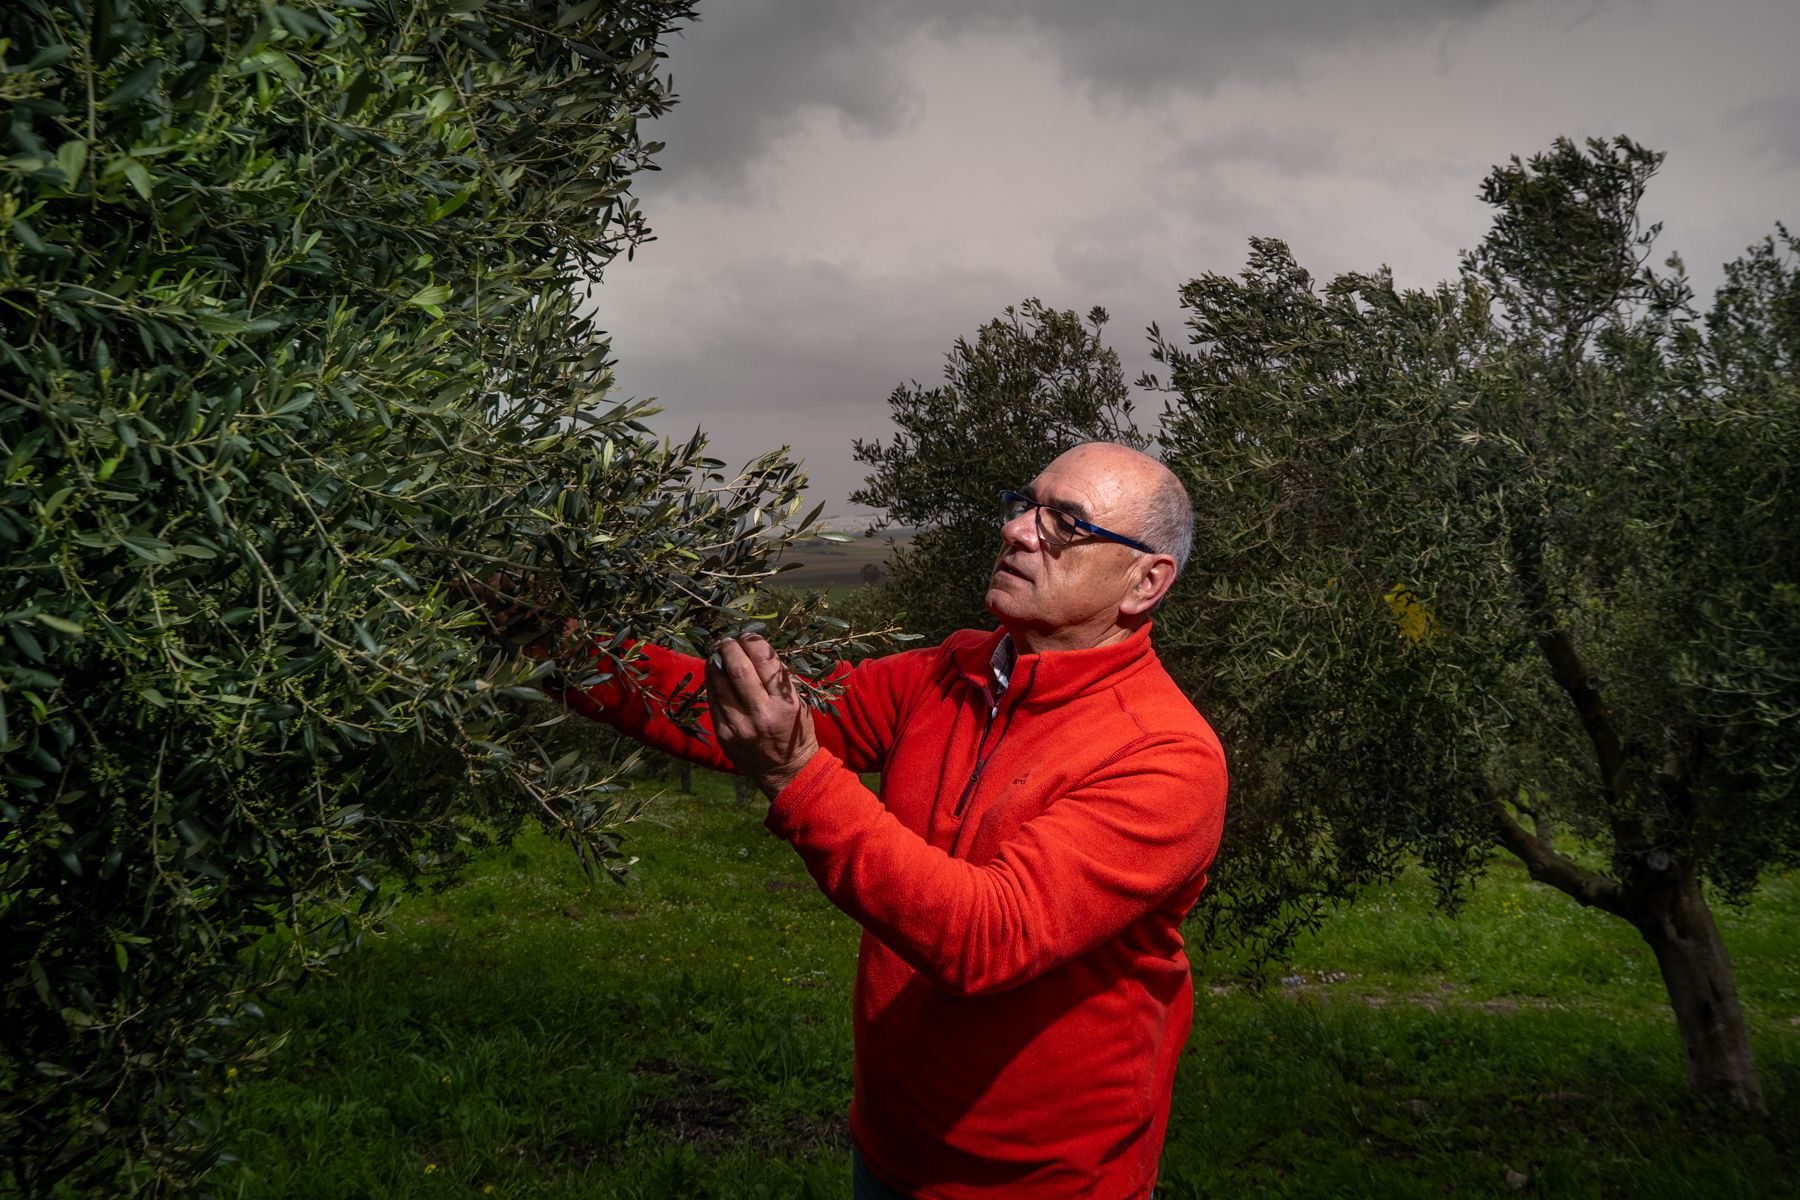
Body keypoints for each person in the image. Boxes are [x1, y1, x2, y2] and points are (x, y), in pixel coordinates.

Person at [558, 442, 1227, 1199]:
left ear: (1145, 581)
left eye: (1067, 523)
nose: (1018, 530)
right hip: (888, 1146)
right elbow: (760, 718)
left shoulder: (1166, 757)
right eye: (1025, 504)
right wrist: (559, 649)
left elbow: (989, 937)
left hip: (1045, 1183)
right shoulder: (954, 671)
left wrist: (793, 775)